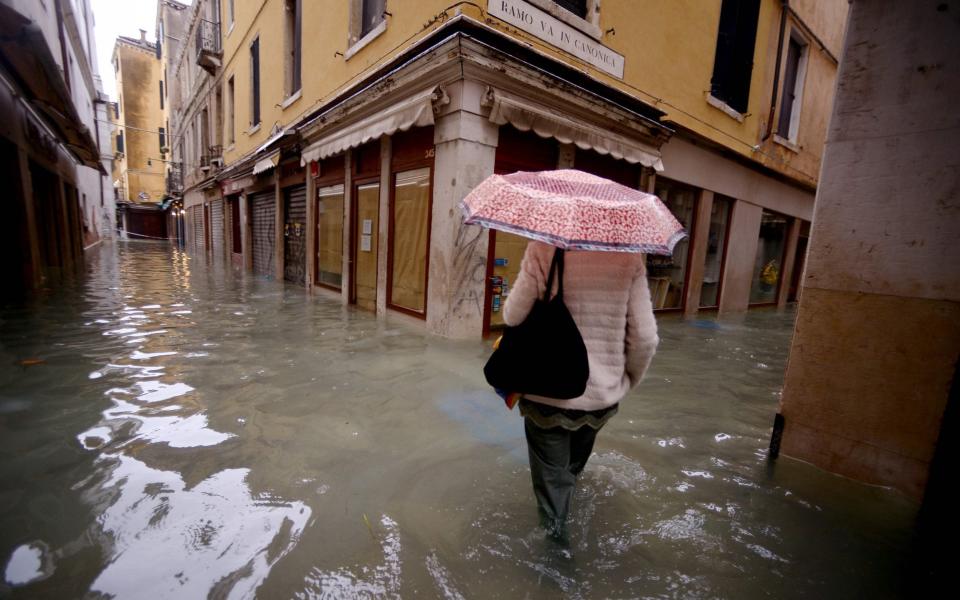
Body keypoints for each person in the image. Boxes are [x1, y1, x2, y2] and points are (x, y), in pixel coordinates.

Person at [502, 240, 659, 539]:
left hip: (545, 393)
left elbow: (512, 316)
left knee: (552, 483)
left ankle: (556, 553)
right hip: (599, 399)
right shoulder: (629, 260)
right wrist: (626, 381)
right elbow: (645, 338)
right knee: (572, 469)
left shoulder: (542, 250)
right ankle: (567, 495)